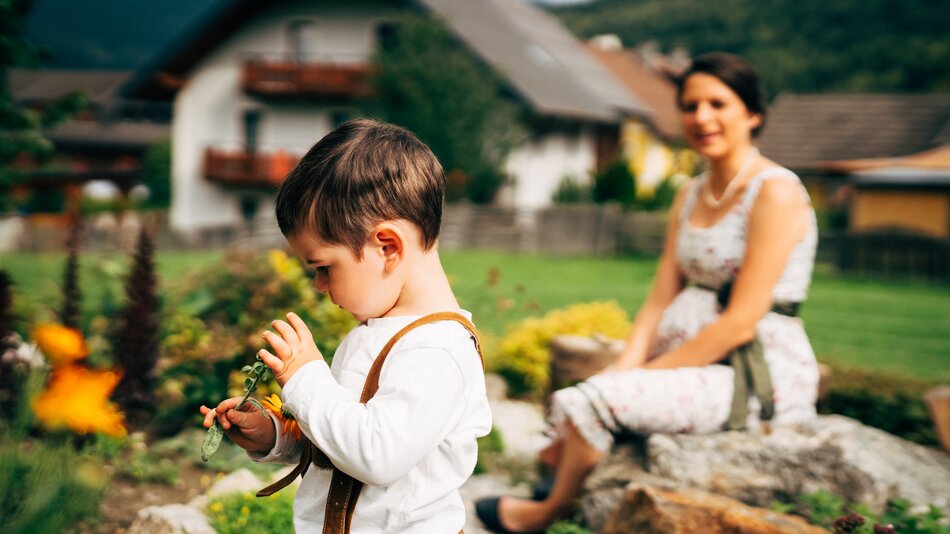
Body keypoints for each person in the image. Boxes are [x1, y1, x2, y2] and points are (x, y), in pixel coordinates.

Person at [476, 52, 820, 533]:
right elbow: (661, 296)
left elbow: (742, 320)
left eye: (718, 104)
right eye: (690, 105)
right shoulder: (690, 192)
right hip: (686, 355)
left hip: (750, 371)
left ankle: (547, 509)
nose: (702, 117)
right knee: (601, 386)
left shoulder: (775, 191)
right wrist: (628, 366)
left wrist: (640, 377)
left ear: (753, 114)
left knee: (595, 398)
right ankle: (558, 474)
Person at [200, 119, 492, 533]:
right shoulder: (372, 333)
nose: (320, 286)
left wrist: (304, 378)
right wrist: (274, 436)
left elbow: (376, 454)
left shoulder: (438, 352)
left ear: (387, 247)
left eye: (323, 267)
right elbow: (341, 441)